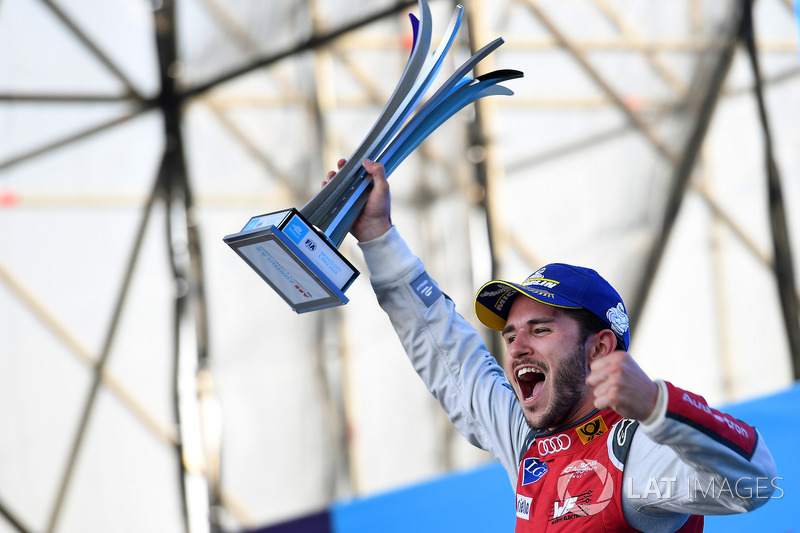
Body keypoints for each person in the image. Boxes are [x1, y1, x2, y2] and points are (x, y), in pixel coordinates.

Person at [328, 158, 778, 531]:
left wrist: (658, 406)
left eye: (540, 330)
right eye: (510, 334)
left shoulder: (637, 450)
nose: (517, 346)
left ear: (599, 348)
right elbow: (447, 351)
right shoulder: (527, 438)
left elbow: (755, 485)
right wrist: (377, 236)